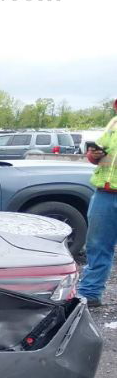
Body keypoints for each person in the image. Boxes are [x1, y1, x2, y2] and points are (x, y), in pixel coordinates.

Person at [77, 100, 117, 308]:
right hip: (105, 193)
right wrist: (93, 155)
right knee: (97, 246)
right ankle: (89, 293)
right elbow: (101, 157)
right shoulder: (113, 123)